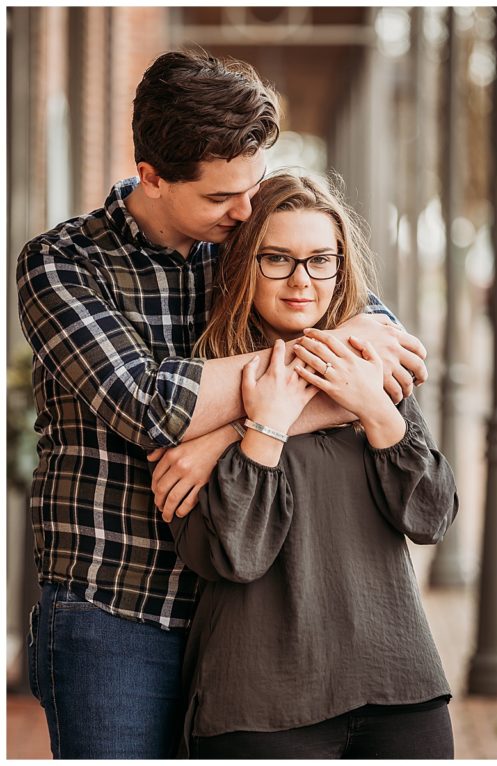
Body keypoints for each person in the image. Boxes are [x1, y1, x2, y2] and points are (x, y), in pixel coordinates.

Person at [17, 50, 426, 759]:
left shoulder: (252, 236)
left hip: (249, 613)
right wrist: (318, 377)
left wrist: (227, 432)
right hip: (118, 609)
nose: (243, 213)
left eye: (253, 186)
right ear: (151, 176)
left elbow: (386, 361)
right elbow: (145, 404)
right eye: (218, 198)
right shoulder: (62, 263)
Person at [169, 173, 457, 759]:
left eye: (321, 260)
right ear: (243, 264)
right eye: (277, 259)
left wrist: (376, 408)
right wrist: (263, 428)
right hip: (261, 703)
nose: (303, 281)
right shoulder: (204, 387)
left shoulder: (372, 368)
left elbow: (431, 517)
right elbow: (233, 554)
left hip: (401, 687)